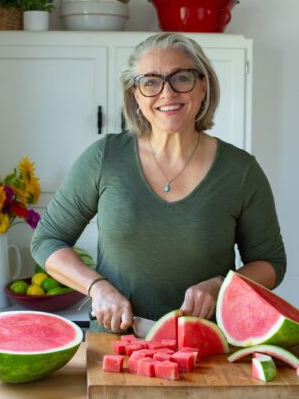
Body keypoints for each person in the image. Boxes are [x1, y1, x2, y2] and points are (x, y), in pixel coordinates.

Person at [30, 32, 286, 334]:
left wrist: (220, 285)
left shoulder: (241, 171)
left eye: (181, 78)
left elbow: (270, 263)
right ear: (135, 95)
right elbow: (47, 241)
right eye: (150, 81)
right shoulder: (104, 157)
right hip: (115, 346)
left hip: (206, 346)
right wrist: (97, 287)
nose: (167, 92)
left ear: (203, 85)